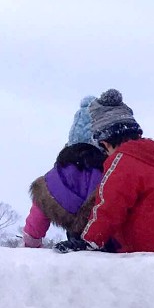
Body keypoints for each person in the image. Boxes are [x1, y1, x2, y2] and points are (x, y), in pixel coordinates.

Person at [60, 89, 154, 256]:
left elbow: (109, 206)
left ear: (105, 143)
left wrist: (88, 241)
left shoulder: (124, 159)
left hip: (143, 258)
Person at [23, 98, 108, 248]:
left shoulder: (54, 178)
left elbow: (36, 222)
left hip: (72, 247)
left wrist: (32, 242)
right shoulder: (112, 171)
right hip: (109, 246)